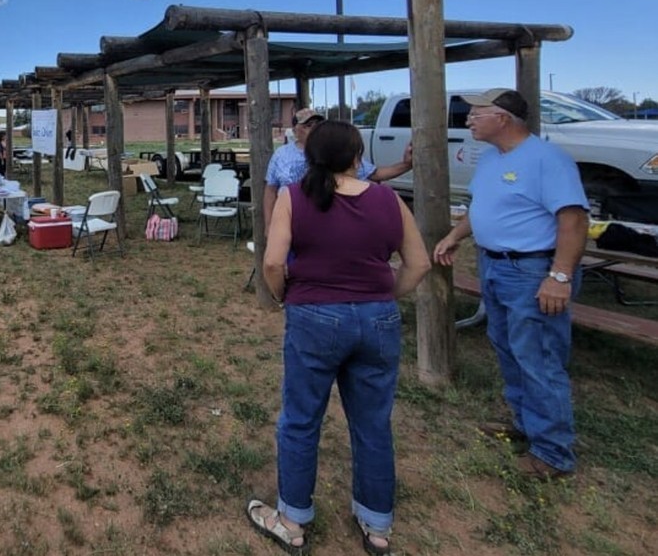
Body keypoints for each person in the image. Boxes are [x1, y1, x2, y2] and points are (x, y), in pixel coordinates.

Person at [251, 120, 430, 556]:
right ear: (357, 157)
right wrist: (385, 295)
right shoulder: (388, 199)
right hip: (378, 319)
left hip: (314, 316)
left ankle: (292, 519)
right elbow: (419, 263)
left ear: (310, 157)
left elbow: (273, 264)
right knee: (372, 422)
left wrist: (284, 298)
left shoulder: (294, 198)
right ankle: (376, 525)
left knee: (300, 419)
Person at [433, 88, 587, 480]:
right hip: (495, 266)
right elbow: (482, 208)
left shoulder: (547, 160)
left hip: (532, 271)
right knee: (508, 347)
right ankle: (525, 424)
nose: (468, 119)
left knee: (538, 357)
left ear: (502, 118)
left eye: (476, 113)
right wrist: (456, 235)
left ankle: (552, 453)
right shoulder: (491, 159)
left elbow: (573, 221)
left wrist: (559, 276)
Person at [263, 108, 413, 230]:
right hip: (289, 223)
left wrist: (406, 164)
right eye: (308, 125)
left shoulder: (336, 151)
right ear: (295, 130)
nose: (315, 128)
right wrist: (269, 225)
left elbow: (376, 174)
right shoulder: (281, 154)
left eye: (319, 124)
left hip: (327, 224)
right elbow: (270, 190)